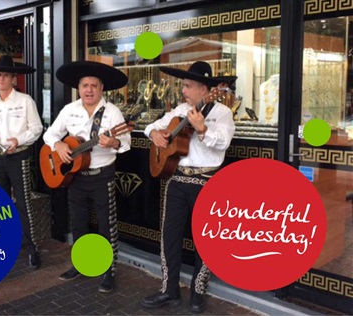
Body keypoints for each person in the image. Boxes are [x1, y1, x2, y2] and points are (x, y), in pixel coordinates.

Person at [141, 61, 236, 313]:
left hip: (206, 181)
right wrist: (155, 135)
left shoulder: (222, 113)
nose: (183, 90)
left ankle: (198, 290)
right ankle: (169, 290)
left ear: (206, 89)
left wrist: (202, 128)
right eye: (184, 85)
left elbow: (223, 142)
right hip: (176, 178)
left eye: (188, 86)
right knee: (169, 236)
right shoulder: (181, 109)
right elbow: (151, 126)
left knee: (205, 240)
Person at [43, 61, 131, 293]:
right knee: (78, 223)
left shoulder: (113, 113)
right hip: (76, 177)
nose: (89, 90)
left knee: (106, 225)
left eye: (93, 85)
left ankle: (108, 271)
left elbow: (126, 143)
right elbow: (49, 134)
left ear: (102, 88)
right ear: (79, 88)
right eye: (84, 85)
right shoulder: (69, 110)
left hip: (103, 176)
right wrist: (59, 144)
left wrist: (113, 142)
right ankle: (81, 264)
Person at [0, 55, 43, 269]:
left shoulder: (25, 101)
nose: (1, 79)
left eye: (5, 75)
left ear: (13, 78)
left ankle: (32, 249)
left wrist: (18, 140)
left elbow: (37, 128)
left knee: (23, 203)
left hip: (18, 156)